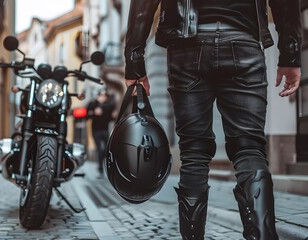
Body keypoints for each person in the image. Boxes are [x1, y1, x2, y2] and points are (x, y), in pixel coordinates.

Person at [124, 0, 301, 239]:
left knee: (194, 151)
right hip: (243, 41)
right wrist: (290, 54)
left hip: (187, 47)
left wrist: (134, 61)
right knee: (249, 148)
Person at [87, 89, 115, 177]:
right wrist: (94, 113)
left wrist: (113, 115)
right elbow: (87, 115)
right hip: (96, 131)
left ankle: (108, 166)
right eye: (101, 96)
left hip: (105, 130)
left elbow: (111, 118)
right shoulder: (92, 104)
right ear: (98, 96)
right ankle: (100, 169)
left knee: (108, 149)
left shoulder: (109, 105)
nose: (103, 98)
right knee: (99, 149)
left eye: (104, 96)